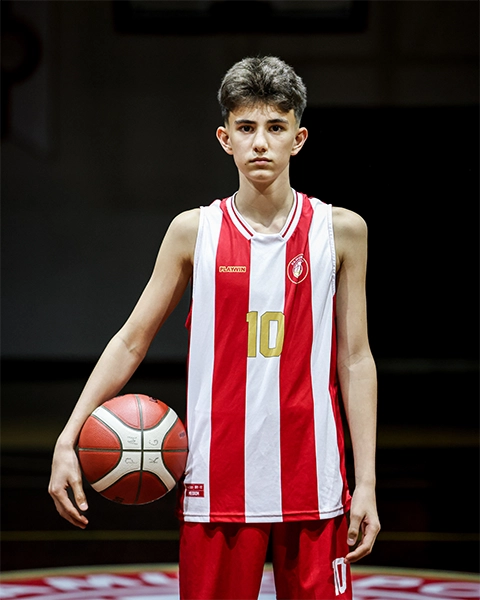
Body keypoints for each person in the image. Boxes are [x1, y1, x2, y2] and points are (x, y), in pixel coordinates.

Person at [49, 55, 380, 599]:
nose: (260, 143)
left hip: (316, 481)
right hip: (216, 482)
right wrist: (68, 437)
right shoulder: (193, 232)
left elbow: (356, 359)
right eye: (246, 128)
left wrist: (365, 482)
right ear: (225, 138)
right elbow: (131, 341)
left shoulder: (341, 231)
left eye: (276, 128)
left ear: (298, 138)